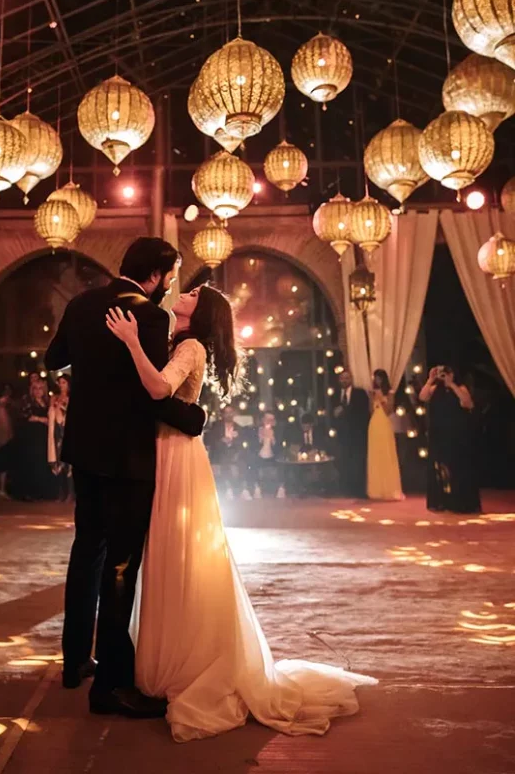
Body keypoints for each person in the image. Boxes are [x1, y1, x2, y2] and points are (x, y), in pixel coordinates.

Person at [106, 285, 375, 743]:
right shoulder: (178, 342)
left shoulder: (191, 346)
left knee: (178, 554)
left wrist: (131, 342)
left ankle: (186, 661)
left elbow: (158, 388)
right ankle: (170, 656)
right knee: (167, 555)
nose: (185, 292)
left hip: (177, 455)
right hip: (168, 451)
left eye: (193, 293)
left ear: (202, 312)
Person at [44, 236, 206, 718]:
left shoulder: (81, 303)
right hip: (127, 457)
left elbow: (53, 359)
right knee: (120, 567)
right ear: (154, 275)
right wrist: (192, 418)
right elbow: (148, 392)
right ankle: (110, 686)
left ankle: (75, 661)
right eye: (170, 276)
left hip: (84, 450)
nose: (170, 285)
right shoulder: (151, 317)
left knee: (86, 552)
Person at [419, 365, 480, 514]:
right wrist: (430, 379)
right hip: (438, 433)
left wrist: (451, 384)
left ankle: (458, 501)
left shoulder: (460, 388)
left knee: (456, 467)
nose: (443, 376)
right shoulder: (435, 389)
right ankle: (441, 500)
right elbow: (422, 397)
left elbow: (468, 403)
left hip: (456, 434)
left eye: (446, 373)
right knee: (440, 468)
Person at [366, 369, 403, 502]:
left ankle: (389, 488)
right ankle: (375, 489)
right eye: (375, 378)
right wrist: (372, 398)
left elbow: (389, 411)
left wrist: (381, 398)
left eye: (379, 378)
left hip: (384, 423)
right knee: (375, 453)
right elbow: (371, 411)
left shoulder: (390, 392)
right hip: (374, 423)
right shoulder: (372, 392)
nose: (377, 381)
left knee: (386, 451)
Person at [332, 369, 370, 499]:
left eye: (347, 378)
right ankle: (345, 490)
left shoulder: (360, 393)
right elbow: (331, 413)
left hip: (357, 434)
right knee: (344, 462)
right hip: (342, 435)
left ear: (351, 379)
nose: (344, 380)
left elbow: (364, 413)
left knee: (358, 463)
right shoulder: (335, 395)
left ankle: (359, 490)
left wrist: (345, 410)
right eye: (342, 378)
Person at [17, 377, 51, 500]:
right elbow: (27, 417)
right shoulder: (28, 401)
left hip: (44, 436)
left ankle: (42, 492)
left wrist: (43, 420)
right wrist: (41, 419)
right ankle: (30, 492)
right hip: (31, 436)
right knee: (32, 462)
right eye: (35, 388)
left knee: (42, 462)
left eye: (40, 388)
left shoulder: (47, 402)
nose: (38, 391)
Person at [206, 404, 245, 500]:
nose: (228, 415)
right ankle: (229, 488)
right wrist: (222, 440)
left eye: (230, 412)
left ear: (233, 413)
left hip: (234, 453)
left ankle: (237, 489)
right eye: (226, 412)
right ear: (223, 414)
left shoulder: (239, 427)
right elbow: (210, 441)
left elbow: (241, 443)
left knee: (240, 459)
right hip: (219, 453)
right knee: (224, 459)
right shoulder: (216, 426)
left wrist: (233, 442)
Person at [49, 373, 72, 502]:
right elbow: (50, 413)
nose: (61, 385)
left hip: (67, 431)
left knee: (69, 463)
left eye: (64, 383)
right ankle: (61, 492)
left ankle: (70, 493)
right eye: (60, 383)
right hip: (57, 431)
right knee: (58, 462)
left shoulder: (71, 398)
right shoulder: (55, 397)